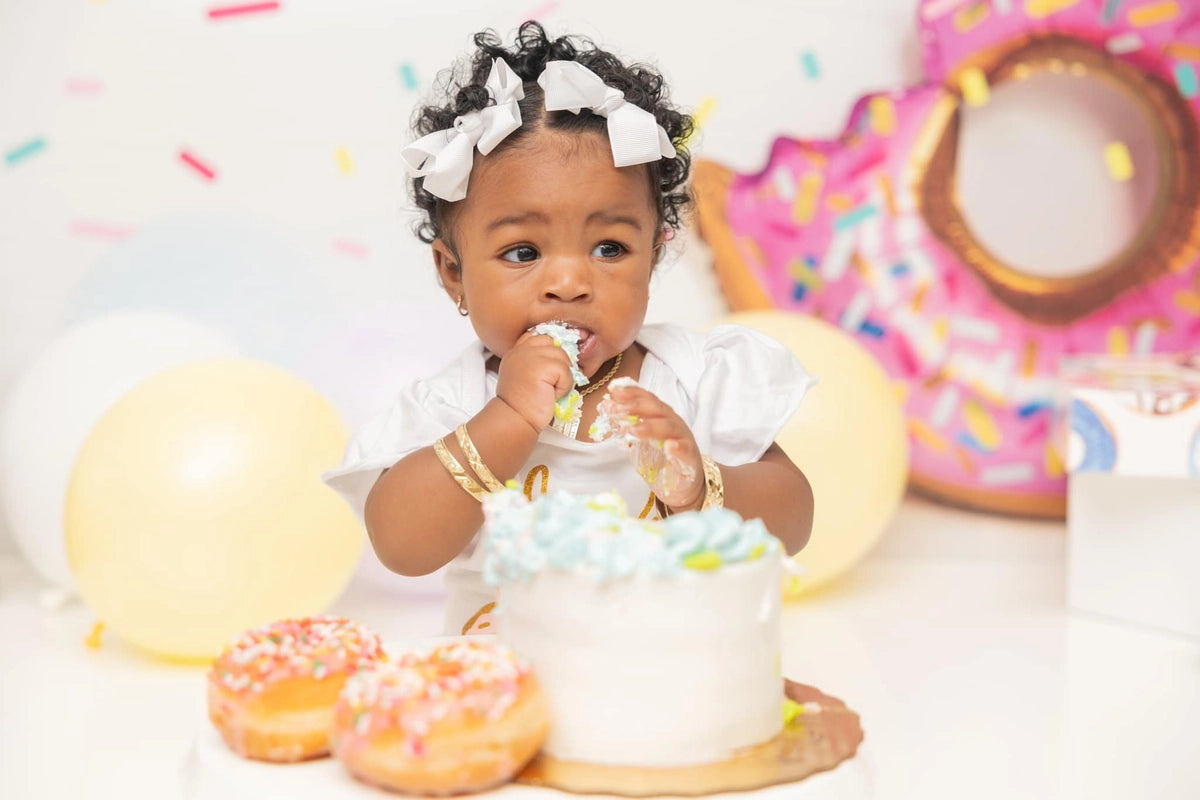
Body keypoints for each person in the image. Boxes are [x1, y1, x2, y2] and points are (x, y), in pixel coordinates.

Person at [323, 21, 816, 635]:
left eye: (610, 248)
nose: (569, 283)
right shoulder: (456, 402)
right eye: (523, 253)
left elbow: (794, 522)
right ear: (454, 273)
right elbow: (401, 546)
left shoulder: (696, 375)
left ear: (654, 256)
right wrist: (507, 418)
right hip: (508, 688)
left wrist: (701, 485)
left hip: (668, 668)